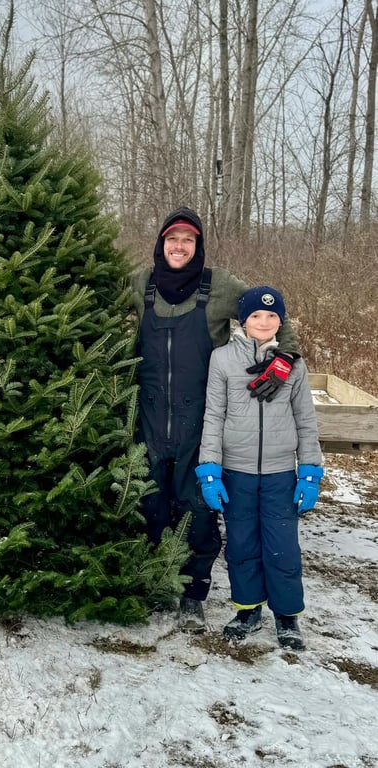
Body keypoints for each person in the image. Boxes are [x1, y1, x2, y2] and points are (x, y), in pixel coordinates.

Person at [132, 206, 301, 632]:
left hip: (202, 418)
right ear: (161, 243)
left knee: (198, 505)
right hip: (148, 414)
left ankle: (193, 591)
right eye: (173, 239)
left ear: (198, 245)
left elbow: (276, 317)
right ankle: (153, 582)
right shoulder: (140, 282)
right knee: (149, 500)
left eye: (189, 240)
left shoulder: (219, 285)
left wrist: (283, 359)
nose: (180, 246)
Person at [195, 286, 322, 650]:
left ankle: (287, 616)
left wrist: (310, 471)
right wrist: (210, 469)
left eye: (271, 316)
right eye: (256, 316)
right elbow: (213, 416)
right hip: (237, 472)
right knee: (241, 544)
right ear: (243, 320)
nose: (264, 322)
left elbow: (306, 419)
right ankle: (248, 609)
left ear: (280, 321)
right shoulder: (222, 359)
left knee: (282, 546)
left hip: (282, 473)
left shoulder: (293, 363)